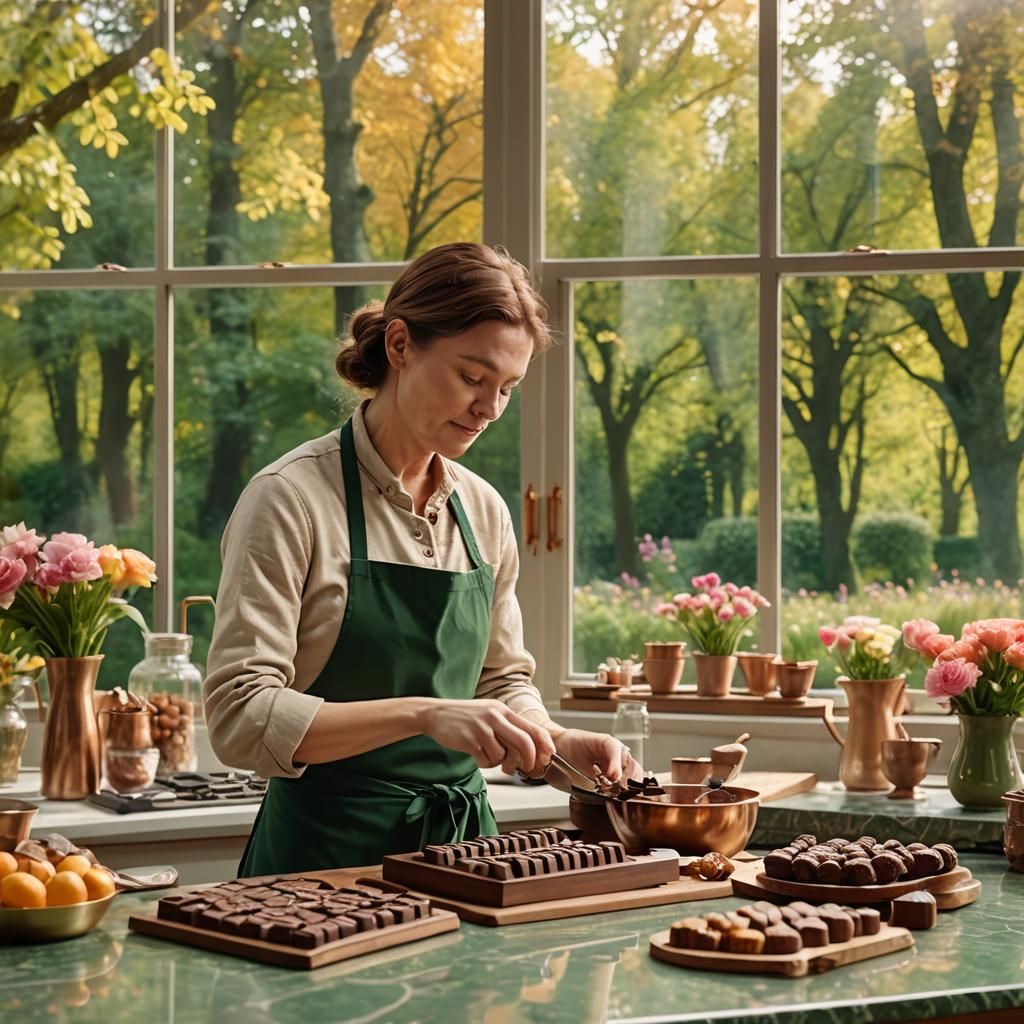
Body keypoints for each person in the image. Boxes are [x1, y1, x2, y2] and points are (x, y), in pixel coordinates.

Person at [204, 242, 639, 874]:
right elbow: (240, 717)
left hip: (466, 859)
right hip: (318, 866)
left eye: (507, 388)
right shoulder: (290, 499)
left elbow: (501, 683)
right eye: (472, 377)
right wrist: (424, 716)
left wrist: (556, 748)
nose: (488, 409)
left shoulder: (484, 511)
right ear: (401, 346)